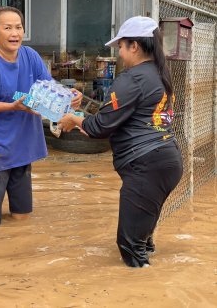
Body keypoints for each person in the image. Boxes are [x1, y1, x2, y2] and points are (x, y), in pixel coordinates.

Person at [58, 16, 183, 268]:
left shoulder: (132, 78)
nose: (121, 54)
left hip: (145, 166)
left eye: (122, 47)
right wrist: (83, 104)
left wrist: (73, 119)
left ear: (134, 46)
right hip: (165, 161)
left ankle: (141, 293)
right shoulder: (160, 75)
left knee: (130, 248)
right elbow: (119, 116)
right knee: (143, 240)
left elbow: (101, 125)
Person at [0, 6, 82, 226]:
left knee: (21, 219)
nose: (15, 33)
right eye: (7, 28)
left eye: (19, 27)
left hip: (22, 148)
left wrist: (69, 95)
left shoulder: (30, 56)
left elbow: (48, 86)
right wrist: (12, 106)